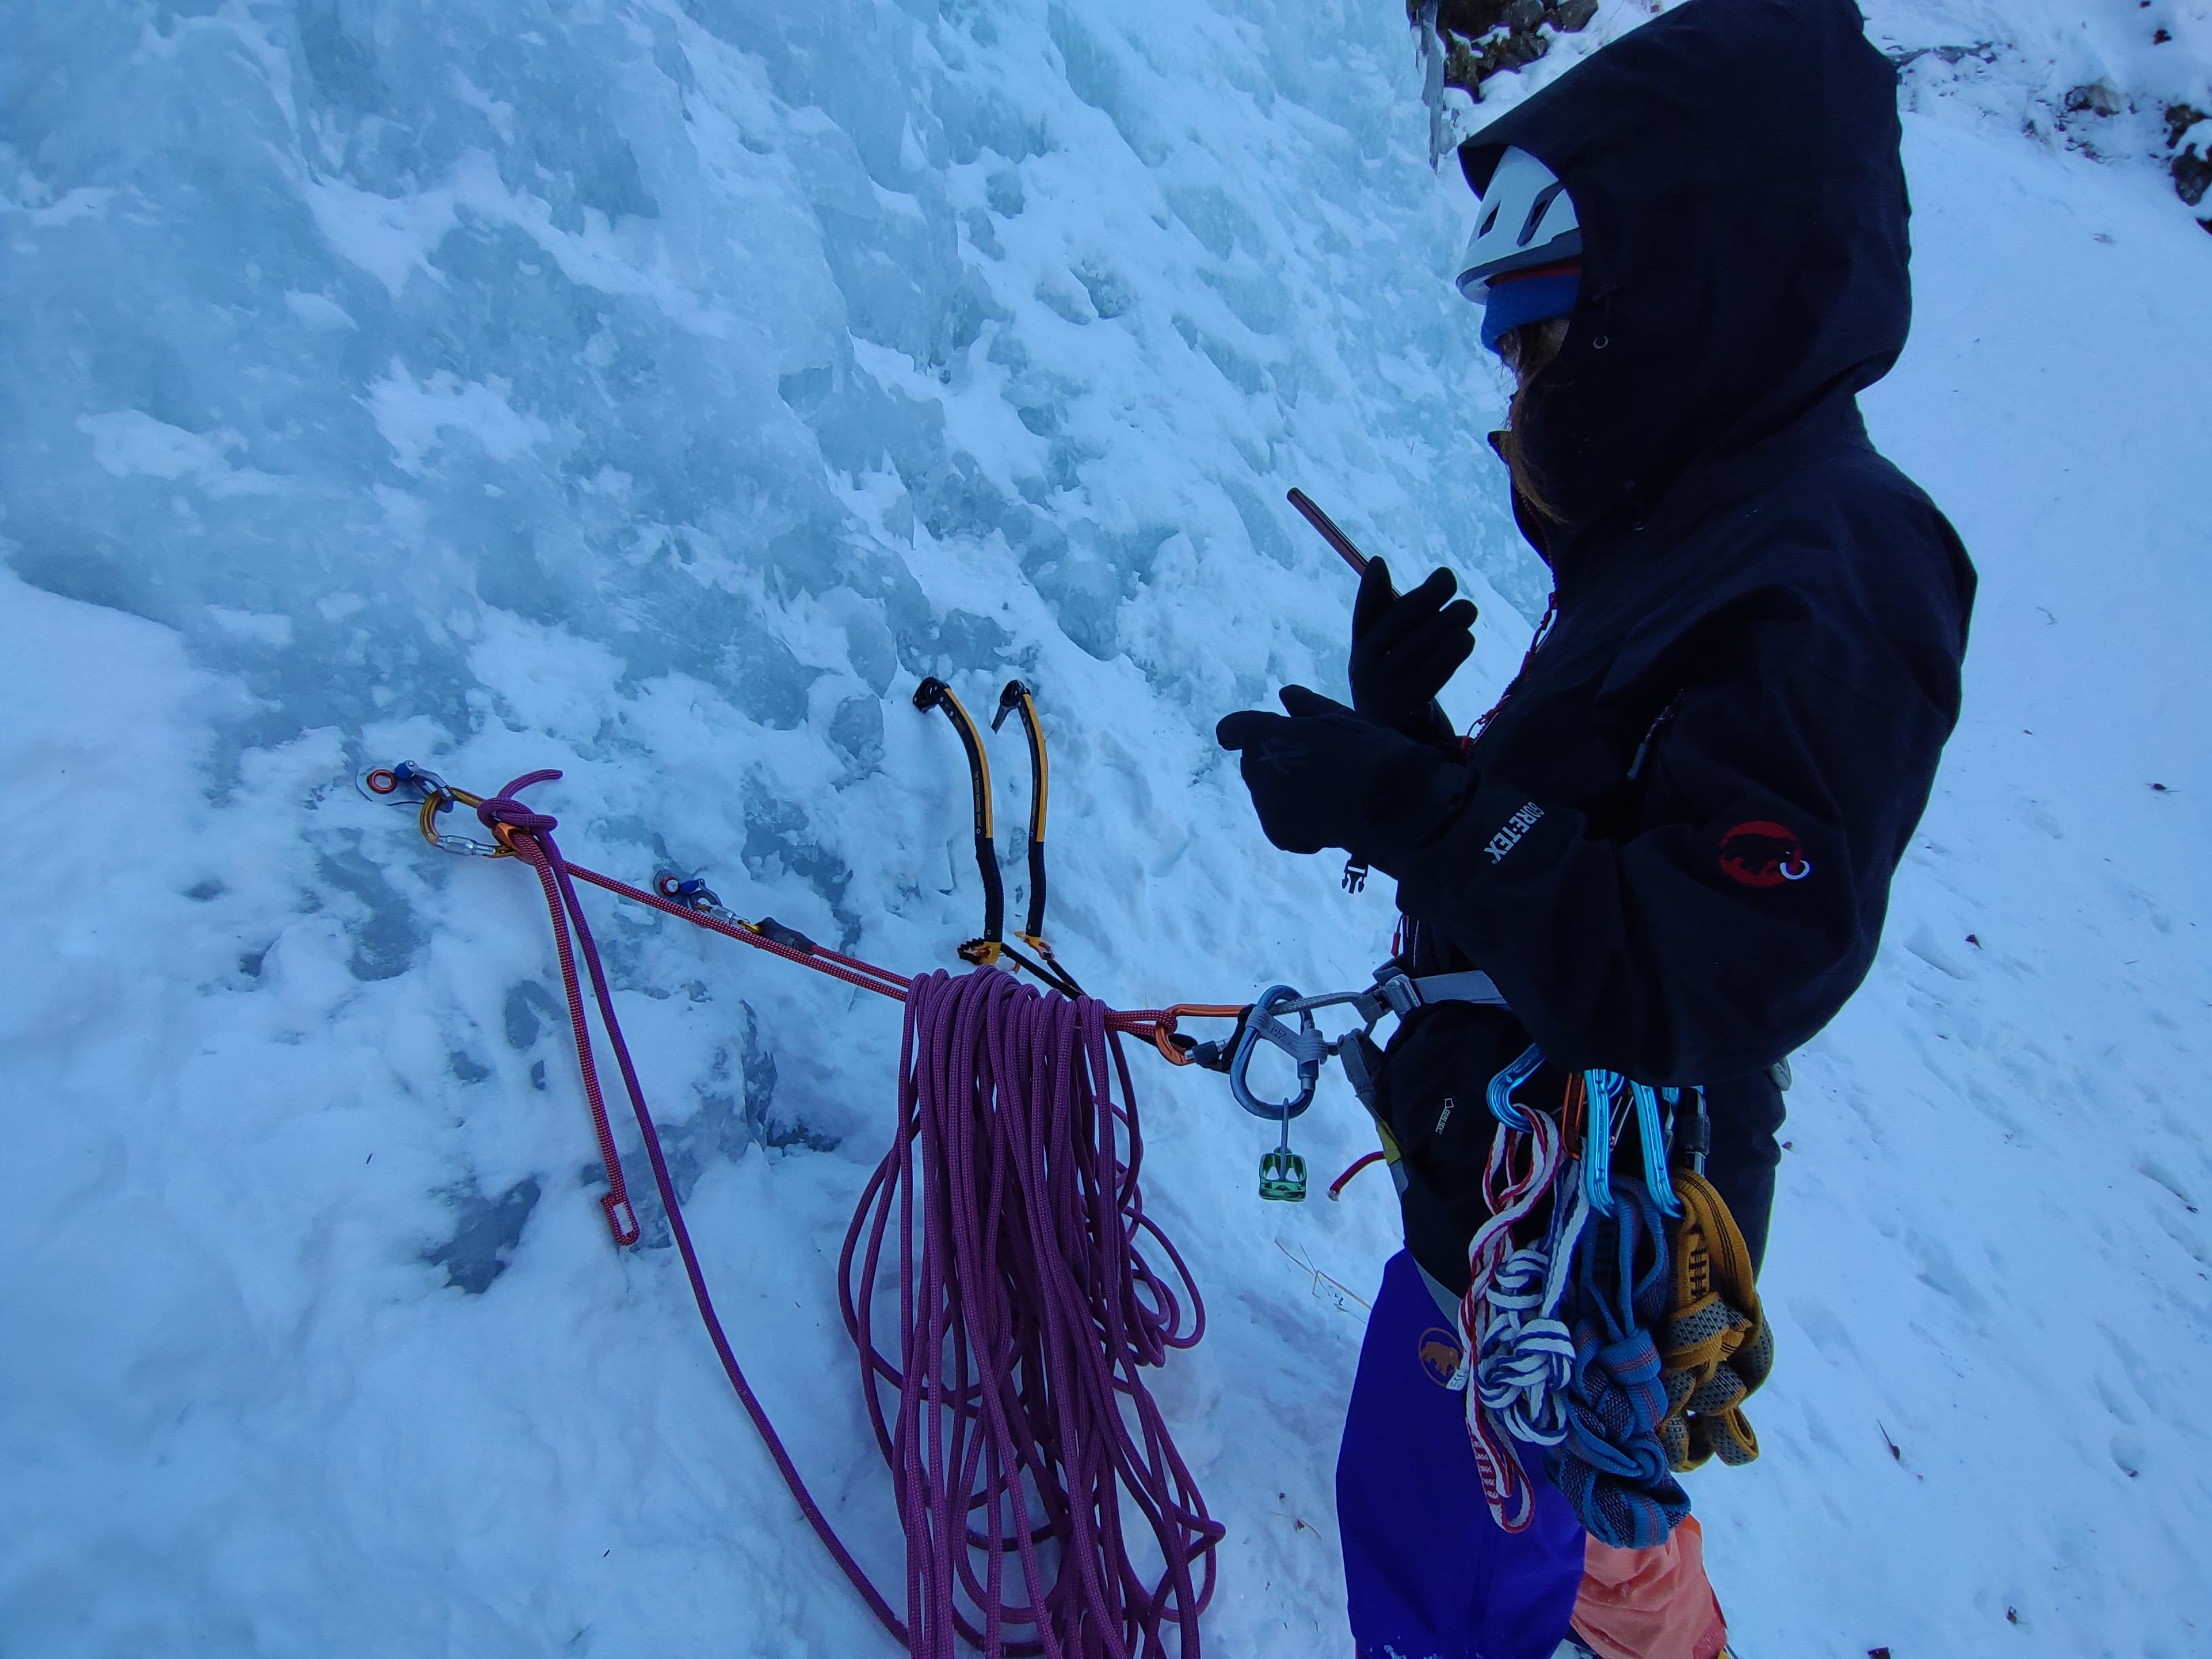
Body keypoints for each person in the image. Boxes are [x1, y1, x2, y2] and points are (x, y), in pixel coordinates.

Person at [1214, 1, 1976, 1656]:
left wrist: (1415, 802)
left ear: (1682, 297)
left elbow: (1706, 963)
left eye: (1549, 343)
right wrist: (1417, 743)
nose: (1528, 391)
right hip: (1523, 1198)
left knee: (1476, 1559)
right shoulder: (1705, 525)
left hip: (1582, 1221)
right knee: (1566, 1517)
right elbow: (1597, 829)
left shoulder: (1840, 562)